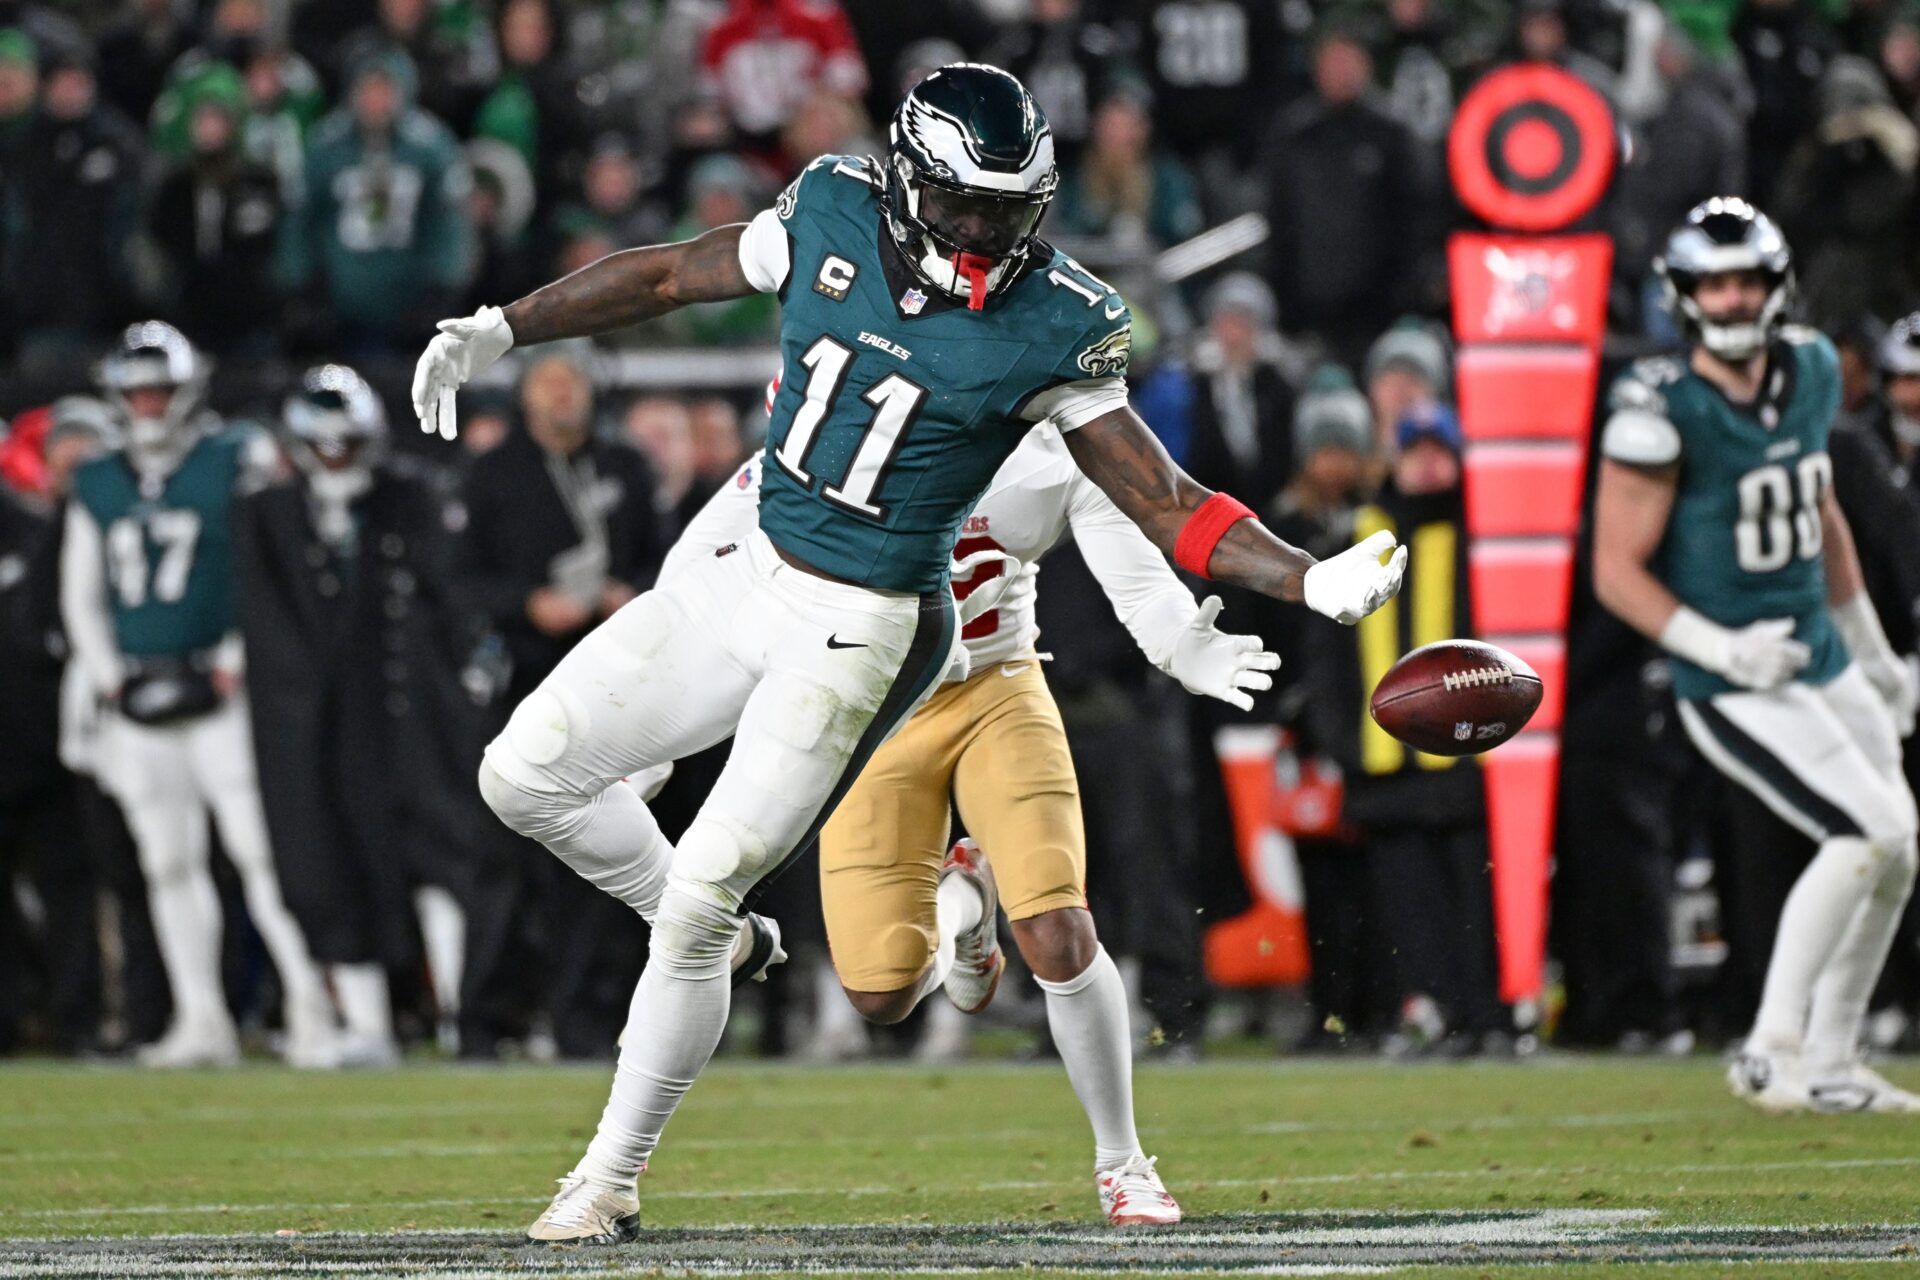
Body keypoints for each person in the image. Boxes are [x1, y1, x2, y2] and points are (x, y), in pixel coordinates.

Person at [412, 63, 1405, 1242]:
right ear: (906, 181)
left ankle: (607, 1176)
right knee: (521, 776)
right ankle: (716, 928)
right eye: (965, 206)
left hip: (867, 625)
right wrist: (503, 326)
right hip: (751, 560)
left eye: (1008, 209)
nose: (987, 233)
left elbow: (1160, 496)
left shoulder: (1058, 320)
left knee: (699, 897)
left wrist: (1304, 574)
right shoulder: (832, 202)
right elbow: (674, 272)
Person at [656, 405, 1279, 1222]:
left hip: (996, 687)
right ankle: (965, 914)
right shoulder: (834, 424)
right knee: (881, 990)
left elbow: (1134, 571)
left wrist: (1181, 645)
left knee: (1058, 927)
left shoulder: (1051, 445)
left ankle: (1124, 1163)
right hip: (870, 705)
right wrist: (657, 716)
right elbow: (698, 563)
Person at [1590, 198, 1920, 1113]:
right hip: (1729, 678)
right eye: (1715, 283)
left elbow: (1821, 514)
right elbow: (1615, 571)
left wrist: (1873, 654)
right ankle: (1773, 1050)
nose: (1732, 300)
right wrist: (1718, 648)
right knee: (1870, 831)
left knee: (1899, 848)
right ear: (1686, 294)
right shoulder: (1661, 405)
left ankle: (1836, 1058)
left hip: (1814, 654)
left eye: (1746, 281)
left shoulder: (1813, 367)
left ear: (1777, 287)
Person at [59, 322, 336, 1069]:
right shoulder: (98, 477)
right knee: (166, 862)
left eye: (159, 388)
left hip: (222, 685)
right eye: (136, 390)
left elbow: (268, 564)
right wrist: (112, 675)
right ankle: (201, 1019)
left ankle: (313, 1013)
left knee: (260, 854)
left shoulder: (232, 457)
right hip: (141, 690)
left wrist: (239, 655)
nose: (147, 403)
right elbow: (81, 596)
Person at [235, 365, 486, 1063]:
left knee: (442, 852)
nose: (337, 454)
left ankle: (461, 1016)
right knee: (326, 863)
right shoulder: (264, 514)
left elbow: (448, 598)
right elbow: (266, 624)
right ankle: (368, 1024)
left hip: (409, 709)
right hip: (316, 722)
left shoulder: (411, 497)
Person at [451, 344, 670, 1059]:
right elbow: (458, 584)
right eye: (546, 383)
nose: (560, 397)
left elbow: (666, 569)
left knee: (599, 853)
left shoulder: (625, 468)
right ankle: (483, 1022)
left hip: (610, 690)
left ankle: (584, 1019)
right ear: (524, 395)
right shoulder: (492, 475)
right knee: (501, 859)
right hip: (522, 680)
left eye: (570, 383)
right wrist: (525, 604)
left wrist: (626, 597)